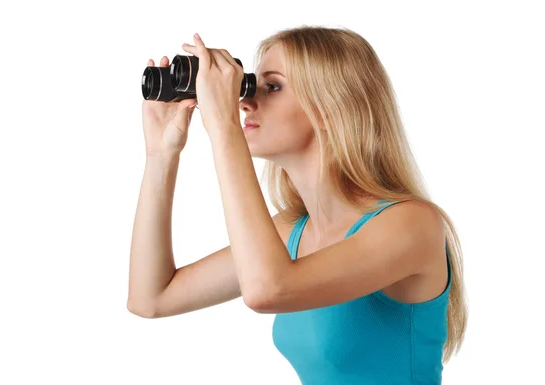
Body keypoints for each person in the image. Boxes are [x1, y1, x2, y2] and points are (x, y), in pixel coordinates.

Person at [128, 25, 468, 384]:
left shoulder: (412, 225)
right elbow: (151, 297)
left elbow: (267, 290)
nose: (245, 101)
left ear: (329, 107)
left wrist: (224, 127)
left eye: (272, 87)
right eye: (250, 86)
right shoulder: (293, 232)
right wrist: (161, 154)